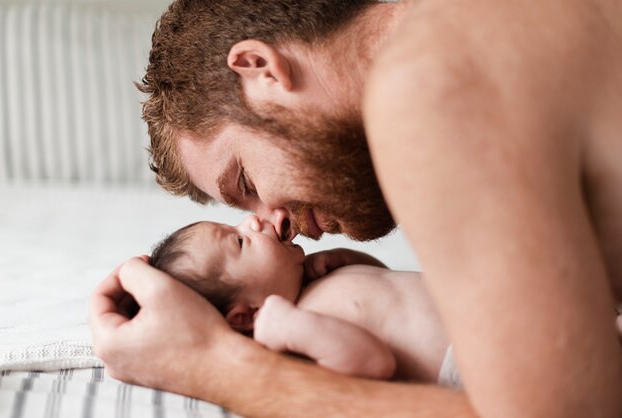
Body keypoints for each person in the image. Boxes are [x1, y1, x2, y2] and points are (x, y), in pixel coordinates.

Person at [89, 1, 622, 417]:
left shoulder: (428, 84)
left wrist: (214, 366)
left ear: (261, 70)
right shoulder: (482, 29)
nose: (277, 220)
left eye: (246, 180)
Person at [147, 215, 459, 386]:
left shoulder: (313, 286)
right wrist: (292, 325)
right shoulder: (296, 337)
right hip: (463, 359)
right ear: (245, 315)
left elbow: (389, 295)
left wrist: (350, 260)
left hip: (475, 309)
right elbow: (374, 363)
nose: (251, 221)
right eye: (240, 240)